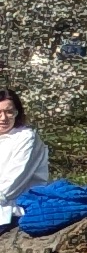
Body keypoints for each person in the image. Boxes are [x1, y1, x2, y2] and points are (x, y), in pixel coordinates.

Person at [0, 93, 40, 228]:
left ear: (17, 113)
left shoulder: (26, 137)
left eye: (9, 112)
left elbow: (14, 180)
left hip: (10, 210)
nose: (4, 118)